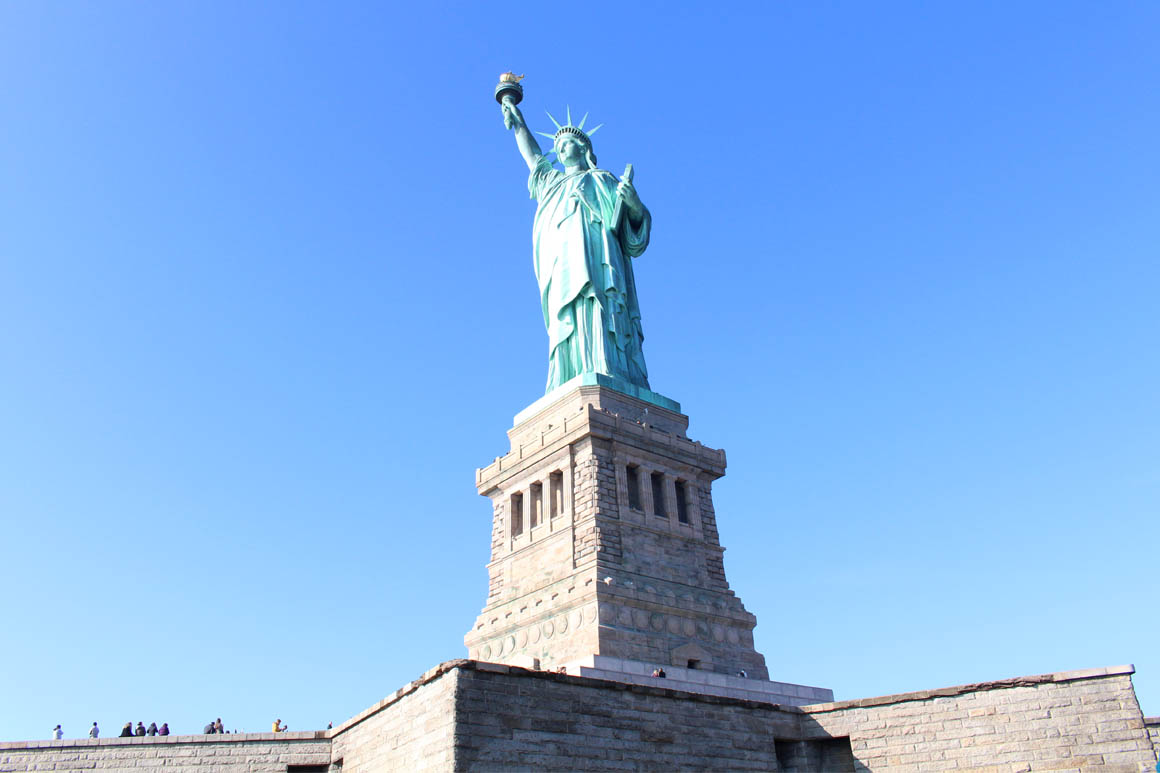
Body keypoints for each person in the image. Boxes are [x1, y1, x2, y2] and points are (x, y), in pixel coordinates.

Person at [501, 98, 653, 394]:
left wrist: (634, 204)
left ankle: (607, 366)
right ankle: (569, 372)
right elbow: (534, 159)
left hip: (600, 264)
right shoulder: (552, 184)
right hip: (563, 267)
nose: (560, 149)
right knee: (569, 313)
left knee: (599, 307)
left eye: (566, 143)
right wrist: (519, 124)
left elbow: (633, 234)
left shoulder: (603, 180)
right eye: (557, 146)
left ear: (583, 148)